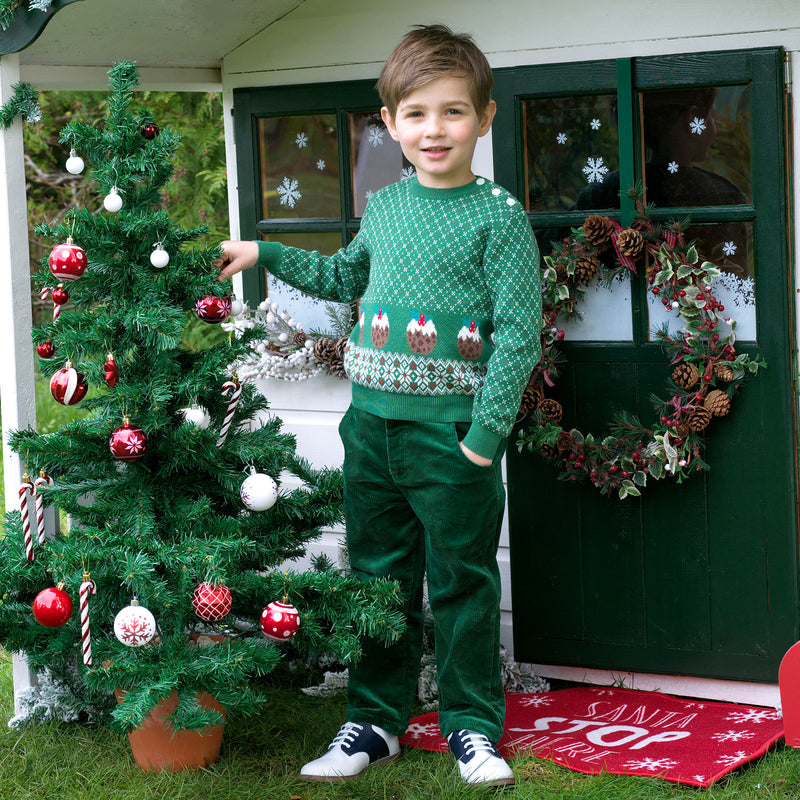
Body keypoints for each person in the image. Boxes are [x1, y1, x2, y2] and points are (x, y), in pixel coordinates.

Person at [218, 24, 541, 788]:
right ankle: (375, 721)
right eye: (418, 114)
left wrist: (483, 440)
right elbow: (339, 279)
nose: (436, 130)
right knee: (378, 577)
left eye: (453, 112)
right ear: (390, 123)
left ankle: (470, 727)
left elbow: (519, 336)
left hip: (452, 436)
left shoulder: (498, 217)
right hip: (370, 430)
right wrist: (264, 254)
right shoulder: (389, 206)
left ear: (484, 118)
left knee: (462, 582)